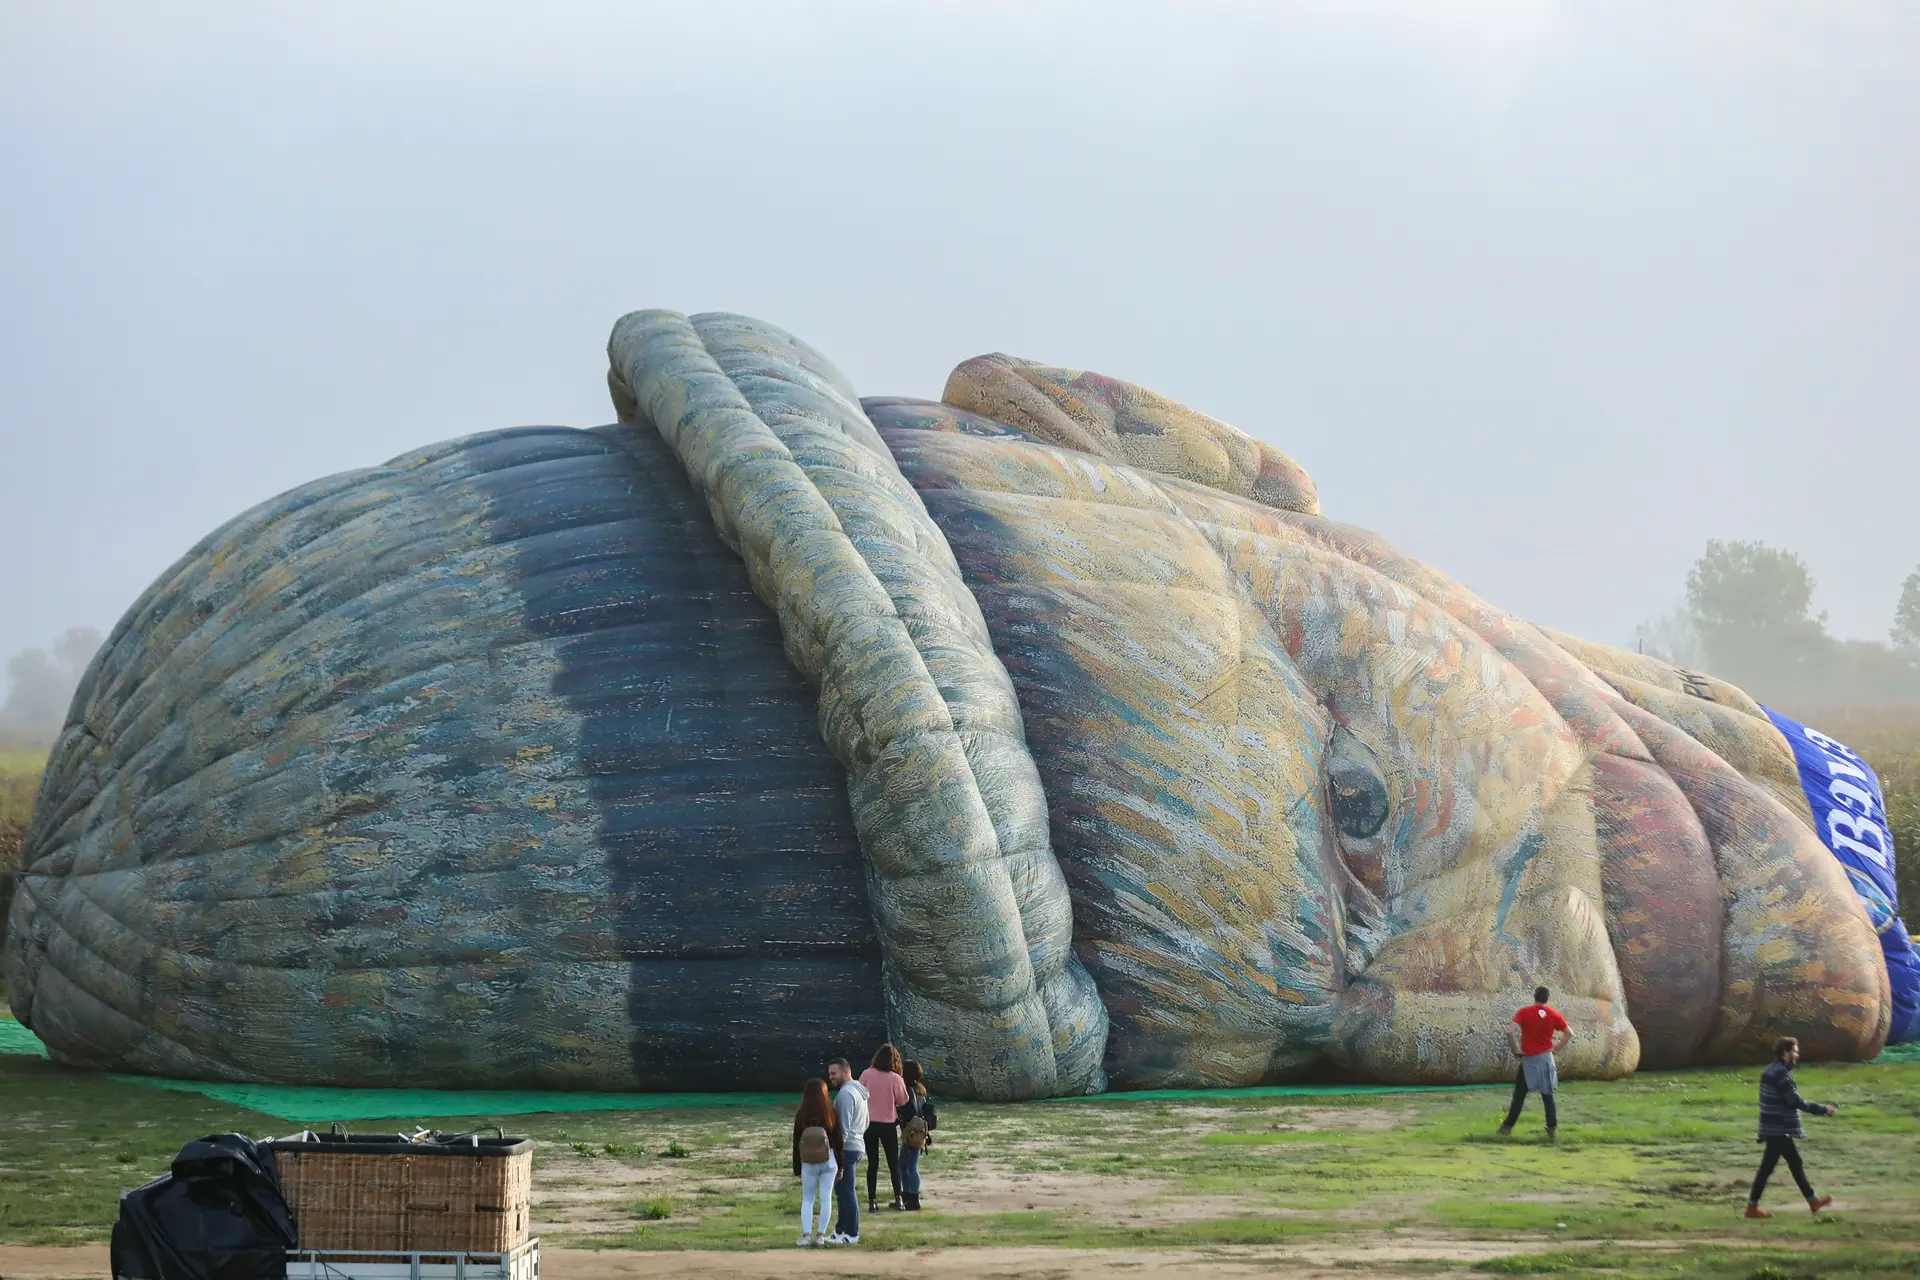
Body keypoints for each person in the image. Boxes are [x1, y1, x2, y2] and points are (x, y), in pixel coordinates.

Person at [1745, 1036, 1837, 1218]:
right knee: (1766, 1169)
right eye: (1795, 1051)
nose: (1798, 1054)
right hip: (1778, 1128)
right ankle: (1751, 1207)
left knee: (1795, 1164)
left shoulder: (1771, 1070)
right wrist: (1823, 1109)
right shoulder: (1780, 1074)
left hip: (1775, 1127)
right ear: (1786, 1053)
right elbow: (1795, 1101)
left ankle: (1813, 1201)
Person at [1498, 985, 1570, 1140]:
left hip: (1529, 1060)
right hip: (1545, 1059)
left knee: (1519, 1096)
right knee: (1547, 1096)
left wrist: (1515, 1049)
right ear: (1547, 999)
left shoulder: (1524, 1012)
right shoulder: (1553, 1014)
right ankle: (1551, 1130)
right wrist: (1555, 1049)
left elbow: (1509, 1031)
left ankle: (1507, 1127)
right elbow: (1569, 1033)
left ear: (1534, 997)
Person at [858, 1043, 911, 1211]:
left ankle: (872, 1201)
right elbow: (903, 1101)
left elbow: (859, 1094)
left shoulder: (866, 1074)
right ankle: (899, 1198)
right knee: (893, 1162)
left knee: (872, 1163)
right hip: (888, 1123)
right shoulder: (895, 1078)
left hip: (869, 1124)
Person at [790, 1079, 843, 1246]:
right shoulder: (831, 1112)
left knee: (808, 1199)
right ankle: (820, 1236)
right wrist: (841, 1165)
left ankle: (805, 1236)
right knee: (826, 1197)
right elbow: (838, 1140)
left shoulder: (801, 1114)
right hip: (829, 1160)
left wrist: (797, 1167)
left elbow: (796, 1142)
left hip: (808, 1162)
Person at [824, 1057, 869, 1244]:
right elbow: (866, 1122)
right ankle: (840, 1230)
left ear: (845, 1071)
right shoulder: (859, 1092)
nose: (830, 1078)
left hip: (847, 1149)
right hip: (856, 1145)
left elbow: (842, 1128)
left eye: (833, 1074)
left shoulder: (845, 1094)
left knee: (846, 1191)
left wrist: (837, 1154)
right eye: (829, 1074)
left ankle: (851, 1233)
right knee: (842, 1192)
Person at [898, 1059, 939, 1211]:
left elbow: (909, 1110)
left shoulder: (908, 1090)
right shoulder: (920, 1089)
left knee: (909, 1166)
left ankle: (912, 1197)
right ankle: (907, 1195)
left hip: (912, 1131)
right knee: (904, 1165)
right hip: (919, 1131)